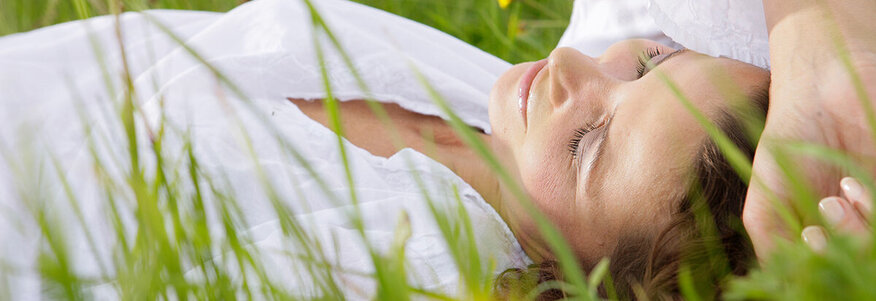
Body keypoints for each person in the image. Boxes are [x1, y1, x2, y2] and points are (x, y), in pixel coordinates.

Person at [0, 0, 770, 299]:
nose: (576, 68)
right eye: (654, 61)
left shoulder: (403, 268)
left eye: (589, 145)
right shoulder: (516, 124)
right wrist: (810, 51)